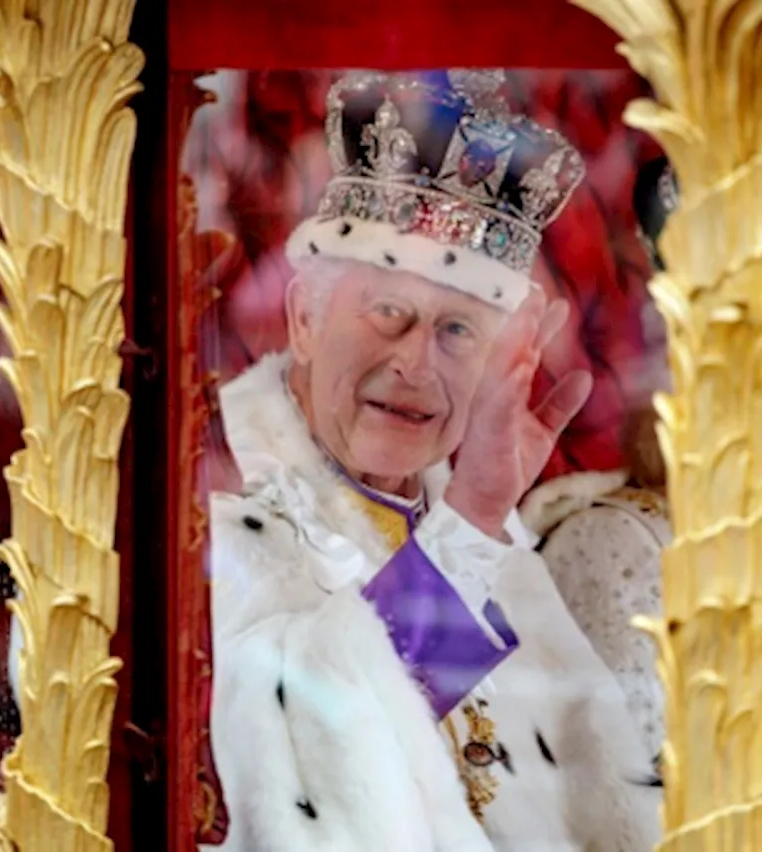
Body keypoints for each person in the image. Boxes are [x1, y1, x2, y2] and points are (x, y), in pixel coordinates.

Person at [203, 70, 661, 851]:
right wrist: (470, 528)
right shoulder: (217, 507)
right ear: (304, 318)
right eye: (389, 313)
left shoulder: (481, 529)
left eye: (458, 333)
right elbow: (300, 767)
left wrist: (479, 525)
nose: (416, 363)